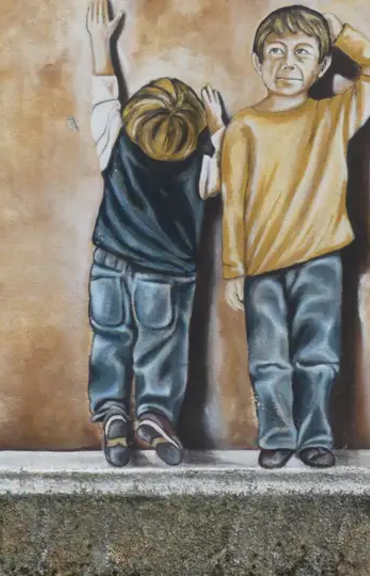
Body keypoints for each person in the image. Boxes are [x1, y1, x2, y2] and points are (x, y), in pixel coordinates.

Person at [220, 5, 370, 469]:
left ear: (322, 65)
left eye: (302, 52)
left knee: (319, 355)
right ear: (258, 62)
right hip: (261, 266)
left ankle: (316, 436)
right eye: (276, 52)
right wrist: (233, 267)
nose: (288, 63)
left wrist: (340, 32)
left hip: (321, 258)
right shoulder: (243, 127)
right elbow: (232, 201)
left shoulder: (334, 116)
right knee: (268, 360)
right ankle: (276, 436)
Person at [83, 0, 227, 467]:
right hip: (166, 274)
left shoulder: (114, 141)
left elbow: (104, 94)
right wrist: (218, 129)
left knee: (109, 339)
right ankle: (154, 414)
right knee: (159, 346)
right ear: (191, 130)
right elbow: (224, 174)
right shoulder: (202, 165)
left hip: (109, 262)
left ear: (135, 119)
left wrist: (100, 42)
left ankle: (112, 414)